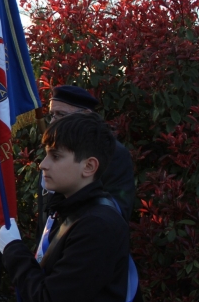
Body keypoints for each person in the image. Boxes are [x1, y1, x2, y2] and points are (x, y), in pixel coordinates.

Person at [0, 112, 131, 302]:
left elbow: (53, 301)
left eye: (55, 156)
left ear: (89, 166)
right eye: (46, 155)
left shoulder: (97, 224)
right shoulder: (70, 209)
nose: (43, 164)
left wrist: (13, 251)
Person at [41, 85, 135, 224]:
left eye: (61, 114)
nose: (53, 121)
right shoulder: (53, 147)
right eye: (52, 115)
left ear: (85, 114)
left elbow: (117, 209)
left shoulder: (114, 153)